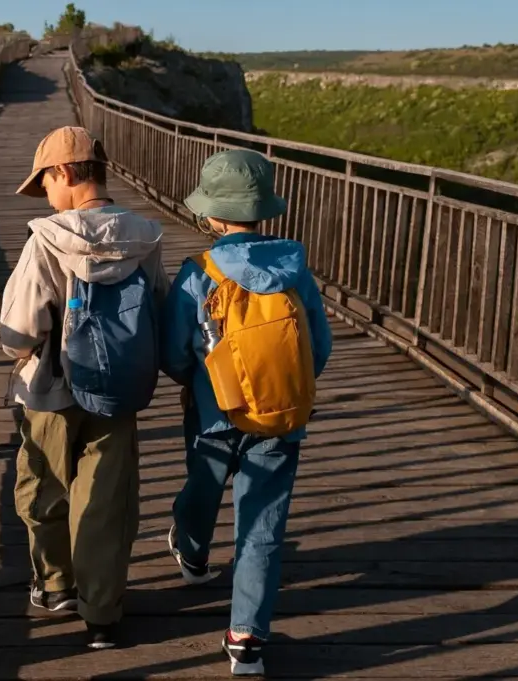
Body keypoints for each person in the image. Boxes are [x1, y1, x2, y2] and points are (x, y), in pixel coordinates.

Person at [160, 149, 332, 675]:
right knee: (262, 523)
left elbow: (174, 354)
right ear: (264, 211)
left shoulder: (198, 273)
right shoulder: (294, 268)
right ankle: (246, 639)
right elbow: (318, 348)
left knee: (202, 486)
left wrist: (200, 380)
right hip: (281, 417)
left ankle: (192, 553)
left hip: (215, 414)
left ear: (213, 215)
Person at [0, 125, 170, 649]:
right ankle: (102, 612)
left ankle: (55, 586)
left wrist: (22, 351)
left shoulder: (46, 239)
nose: (46, 196)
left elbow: (19, 332)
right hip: (119, 390)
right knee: (105, 501)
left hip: (52, 390)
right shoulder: (144, 237)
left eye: (45, 183)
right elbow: (160, 307)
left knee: (43, 487)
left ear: (64, 173)